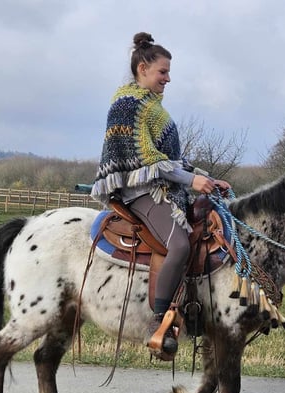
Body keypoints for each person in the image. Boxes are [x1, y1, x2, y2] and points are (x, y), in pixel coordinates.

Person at [91, 32, 230, 355]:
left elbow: (171, 161)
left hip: (164, 187)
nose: (168, 78)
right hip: (140, 193)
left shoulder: (153, 106)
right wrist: (189, 181)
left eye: (168, 72)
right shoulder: (127, 105)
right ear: (143, 69)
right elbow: (145, 160)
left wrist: (206, 178)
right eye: (163, 72)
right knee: (179, 244)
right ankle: (158, 319)